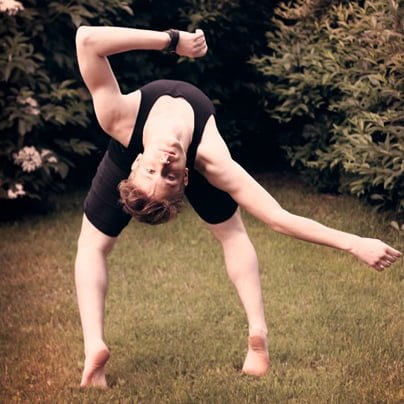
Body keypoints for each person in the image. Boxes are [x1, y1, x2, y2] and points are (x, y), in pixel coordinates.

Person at [74, 25, 402, 388]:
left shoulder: (120, 119)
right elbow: (278, 218)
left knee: (94, 245)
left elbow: (86, 40)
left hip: (134, 139)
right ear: (179, 178)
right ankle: (255, 333)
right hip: (154, 148)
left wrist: (171, 40)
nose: (165, 162)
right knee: (230, 236)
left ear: (143, 165)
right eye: (167, 174)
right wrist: (355, 243)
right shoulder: (210, 161)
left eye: (157, 171)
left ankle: (95, 348)